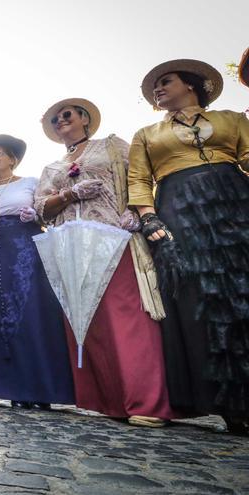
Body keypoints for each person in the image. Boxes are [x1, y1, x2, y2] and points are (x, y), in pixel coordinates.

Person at [34, 97, 173, 427]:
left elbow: (141, 178)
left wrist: (135, 213)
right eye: (55, 119)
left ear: (84, 119)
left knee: (127, 316)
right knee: (88, 321)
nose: (60, 121)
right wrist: (69, 194)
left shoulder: (111, 146)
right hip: (72, 247)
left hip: (115, 237)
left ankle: (147, 402)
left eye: (66, 115)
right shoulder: (51, 168)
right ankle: (108, 400)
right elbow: (42, 208)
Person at [128, 60, 249, 435]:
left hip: (235, 202)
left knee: (241, 292)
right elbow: (139, 180)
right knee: (196, 297)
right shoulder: (147, 133)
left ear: (192, 85)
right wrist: (149, 219)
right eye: (154, 88)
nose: (158, 90)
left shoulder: (233, 120)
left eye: (166, 82)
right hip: (177, 207)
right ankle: (220, 402)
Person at [0, 135, 74, 410]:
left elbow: (46, 211)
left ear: (12, 159)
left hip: (26, 250)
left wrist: (35, 215)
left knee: (31, 312)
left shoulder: (30, 184)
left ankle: (39, 389)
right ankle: (1, 386)